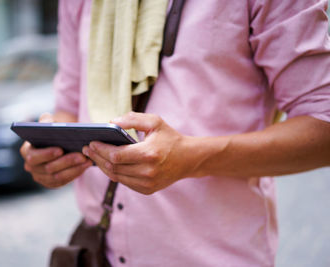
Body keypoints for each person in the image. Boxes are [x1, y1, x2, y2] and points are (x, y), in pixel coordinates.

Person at [20, 0, 330, 266]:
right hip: (99, 252)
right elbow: (68, 107)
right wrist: (49, 151)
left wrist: (192, 159)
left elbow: (322, 124)